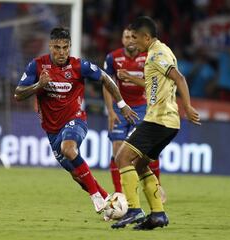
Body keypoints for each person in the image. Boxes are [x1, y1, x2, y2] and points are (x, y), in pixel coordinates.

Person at [14, 27, 138, 214]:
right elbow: (18, 94)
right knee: (76, 175)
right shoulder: (37, 66)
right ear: (50, 46)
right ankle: (108, 202)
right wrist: (39, 85)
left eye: (66, 47)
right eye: (57, 47)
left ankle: (95, 195)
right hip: (51, 129)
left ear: (70, 47)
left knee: (69, 148)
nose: (62, 52)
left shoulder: (79, 66)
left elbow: (106, 78)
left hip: (75, 120)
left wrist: (121, 104)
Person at [111, 16, 200, 230]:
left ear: (146, 37)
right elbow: (154, 83)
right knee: (141, 164)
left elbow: (179, 78)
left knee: (122, 157)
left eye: (135, 37)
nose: (132, 42)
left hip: (159, 119)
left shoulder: (157, 54)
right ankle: (158, 215)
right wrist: (132, 79)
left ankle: (133, 209)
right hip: (167, 122)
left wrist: (187, 107)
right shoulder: (159, 51)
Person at [102, 28, 165, 202]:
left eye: (133, 37)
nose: (130, 39)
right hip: (120, 108)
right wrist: (110, 111)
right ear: (122, 39)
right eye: (126, 36)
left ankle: (156, 187)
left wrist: (129, 77)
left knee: (147, 152)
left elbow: (154, 85)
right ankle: (119, 194)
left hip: (142, 108)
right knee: (117, 151)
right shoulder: (112, 58)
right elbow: (107, 84)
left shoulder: (148, 57)